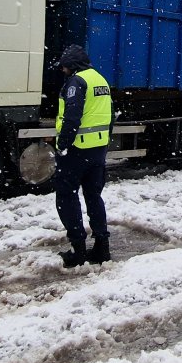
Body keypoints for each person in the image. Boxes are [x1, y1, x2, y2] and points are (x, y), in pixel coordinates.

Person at [53, 44, 112, 267]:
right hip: (97, 151)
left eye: (64, 66)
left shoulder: (76, 82)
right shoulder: (100, 80)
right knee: (93, 196)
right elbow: (109, 117)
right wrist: (104, 145)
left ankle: (77, 250)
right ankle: (102, 247)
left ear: (71, 65)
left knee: (66, 196)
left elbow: (72, 118)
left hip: (77, 150)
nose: (62, 70)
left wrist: (62, 145)